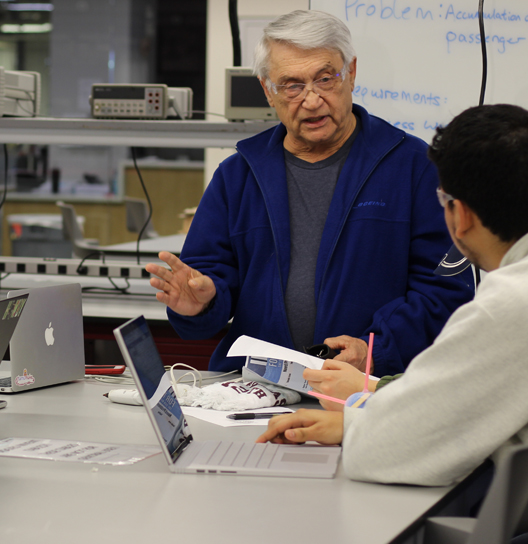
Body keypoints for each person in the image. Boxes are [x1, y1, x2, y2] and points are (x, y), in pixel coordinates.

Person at [145, 10, 473, 376]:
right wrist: (200, 305)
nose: (313, 99)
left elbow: (445, 293)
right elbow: (207, 285)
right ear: (268, 91)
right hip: (256, 393)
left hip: (370, 391)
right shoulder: (237, 176)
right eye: (292, 85)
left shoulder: (414, 166)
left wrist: (374, 351)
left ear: (351, 73)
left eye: (325, 78)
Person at [257, 104, 528, 487]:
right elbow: (457, 401)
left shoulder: (509, 305)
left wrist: (356, 421)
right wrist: (362, 405)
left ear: (459, 215)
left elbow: (377, 454)